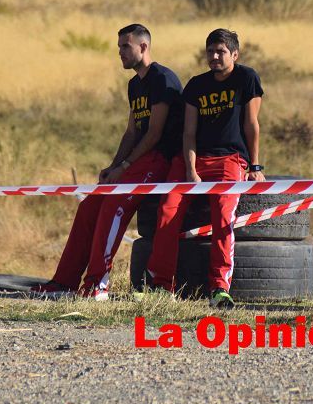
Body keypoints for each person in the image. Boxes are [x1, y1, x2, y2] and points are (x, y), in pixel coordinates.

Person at [31, 24, 183, 300]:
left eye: (126, 47)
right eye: (119, 48)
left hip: (161, 159)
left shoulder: (163, 78)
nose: (120, 53)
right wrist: (114, 167)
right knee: (90, 205)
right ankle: (64, 282)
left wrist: (124, 168)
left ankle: (97, 284)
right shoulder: (134, 84)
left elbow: (154, 134)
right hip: (138, 160)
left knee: (114, 204)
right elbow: (132, 132)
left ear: (143, 47)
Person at [146, 28, 265, 309]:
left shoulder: (247, 78)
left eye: (220, 51)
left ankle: (219, 289)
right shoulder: (196, 85)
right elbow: (189, 132)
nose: (214, 56)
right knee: (167, 211)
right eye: (210, 51)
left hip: (230, 159)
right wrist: (190, 169)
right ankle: (162, 286)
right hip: (193, 159)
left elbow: (252, 124)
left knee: (223, 213)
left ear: (234, 54)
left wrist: (255, 165)